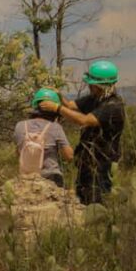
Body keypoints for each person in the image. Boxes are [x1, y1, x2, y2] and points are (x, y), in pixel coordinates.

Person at [38, 60, 125, 204]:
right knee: (83, 197)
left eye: (92, 83)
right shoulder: (94, 98)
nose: (89, 85)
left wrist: (57, 109)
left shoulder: (113, 106)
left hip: (102, 163)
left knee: (97, 201)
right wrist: (59, 96)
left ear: (100, 85)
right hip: (86, 161)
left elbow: (84, 120)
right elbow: (71, 105)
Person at [13, 88, 74, 187]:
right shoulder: (55, 127)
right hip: (51, 177)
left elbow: (18, 152)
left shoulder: (19, 126)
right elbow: (69, 156)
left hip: (26, 179)